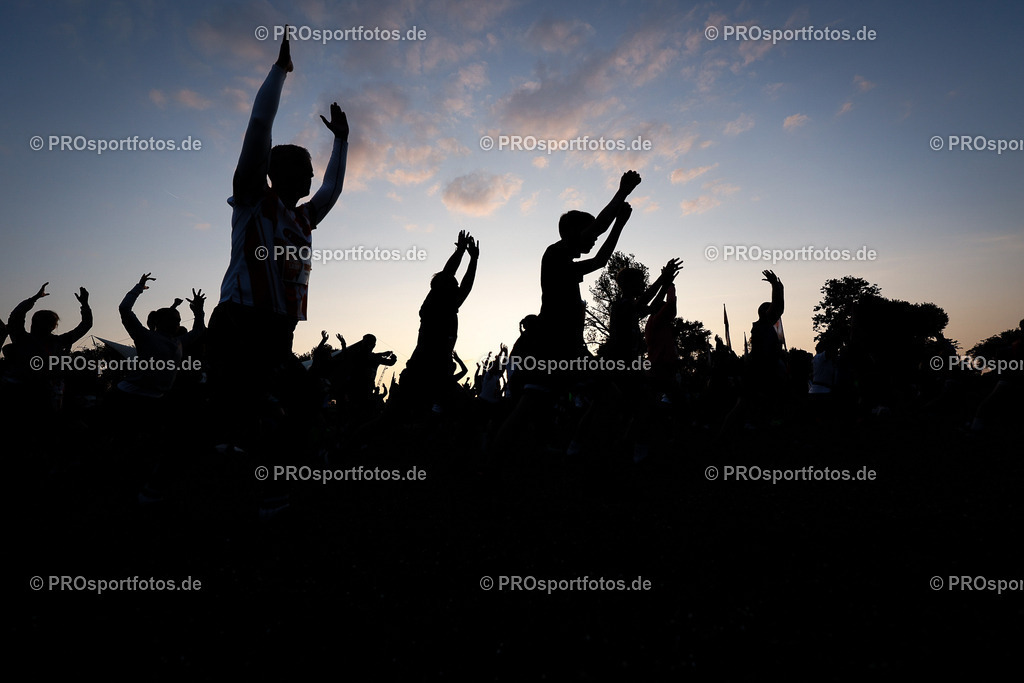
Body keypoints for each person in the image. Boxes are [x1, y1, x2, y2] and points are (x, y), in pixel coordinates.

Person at [205, 29, 348, 518]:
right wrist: (280, 72)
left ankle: (268, 488)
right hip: (239, 322)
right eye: (303, 169)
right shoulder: (252, 198)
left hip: (278, 332)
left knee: (302, 403)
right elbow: (258, 126)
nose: (311, 178)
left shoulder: (303, 219)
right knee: (221, 412)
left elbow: (332, 190)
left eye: (311, 170)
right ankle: (175, 479)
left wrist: (343, 142)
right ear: (277, 172)